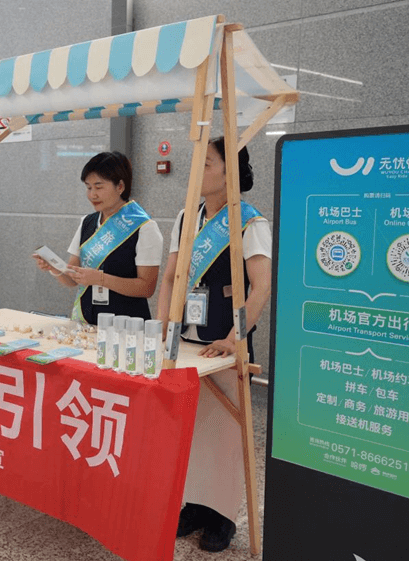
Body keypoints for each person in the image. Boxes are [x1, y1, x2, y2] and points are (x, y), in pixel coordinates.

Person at [156, 137, 272, 552]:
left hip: (224, 346)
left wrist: (234, 338)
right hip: (186, 343)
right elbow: (171, 276)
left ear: (229, 171)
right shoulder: (187, 216)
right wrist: (162, 325)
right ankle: (194, 506)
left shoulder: (251, 223)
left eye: (205, 163)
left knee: (225, 434)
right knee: (191, 431)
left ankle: (222, 517)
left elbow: (260, 287)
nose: (196, 172)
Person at [33, 151, 162, 324]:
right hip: (87, 323)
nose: (92, 195)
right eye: (88, 187)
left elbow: (147, 288)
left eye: (99, 187)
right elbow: (73, 277)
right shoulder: (87, 222)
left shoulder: (144, 227)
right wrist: (54, 268)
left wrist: (101, 279)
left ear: (120, 187)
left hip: (127, 327)